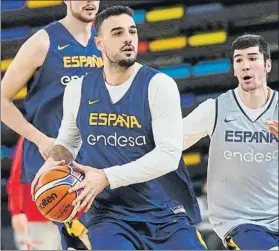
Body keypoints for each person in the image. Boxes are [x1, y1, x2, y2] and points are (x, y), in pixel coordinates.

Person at [32, 5, 207, 250]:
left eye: (132, 31)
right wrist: (52, 162)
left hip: (163, 211)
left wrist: (106, 177)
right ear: (99, 43)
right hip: (108, 215)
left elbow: (168, 156)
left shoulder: (159, 85)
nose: (128, 39)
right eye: (117, 33)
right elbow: (69, 141)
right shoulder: (78, 89)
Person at [1, 1, 102, 249]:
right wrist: (39, 139)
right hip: (51, 164)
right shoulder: (43, 41)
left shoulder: (105, 41)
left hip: (93, 161)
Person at [182, 34, 278, 250]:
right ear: (234, 69)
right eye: (239, 60)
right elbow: (168, 145)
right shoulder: (214, 109)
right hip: (240, 221)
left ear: (267, 65)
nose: (246, 66)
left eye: (252, 58)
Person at [7, 137, 61, 250]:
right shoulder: (30, 135)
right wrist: (17, 211)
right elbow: (16, 175)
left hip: (66, 214)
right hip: (35, 215)